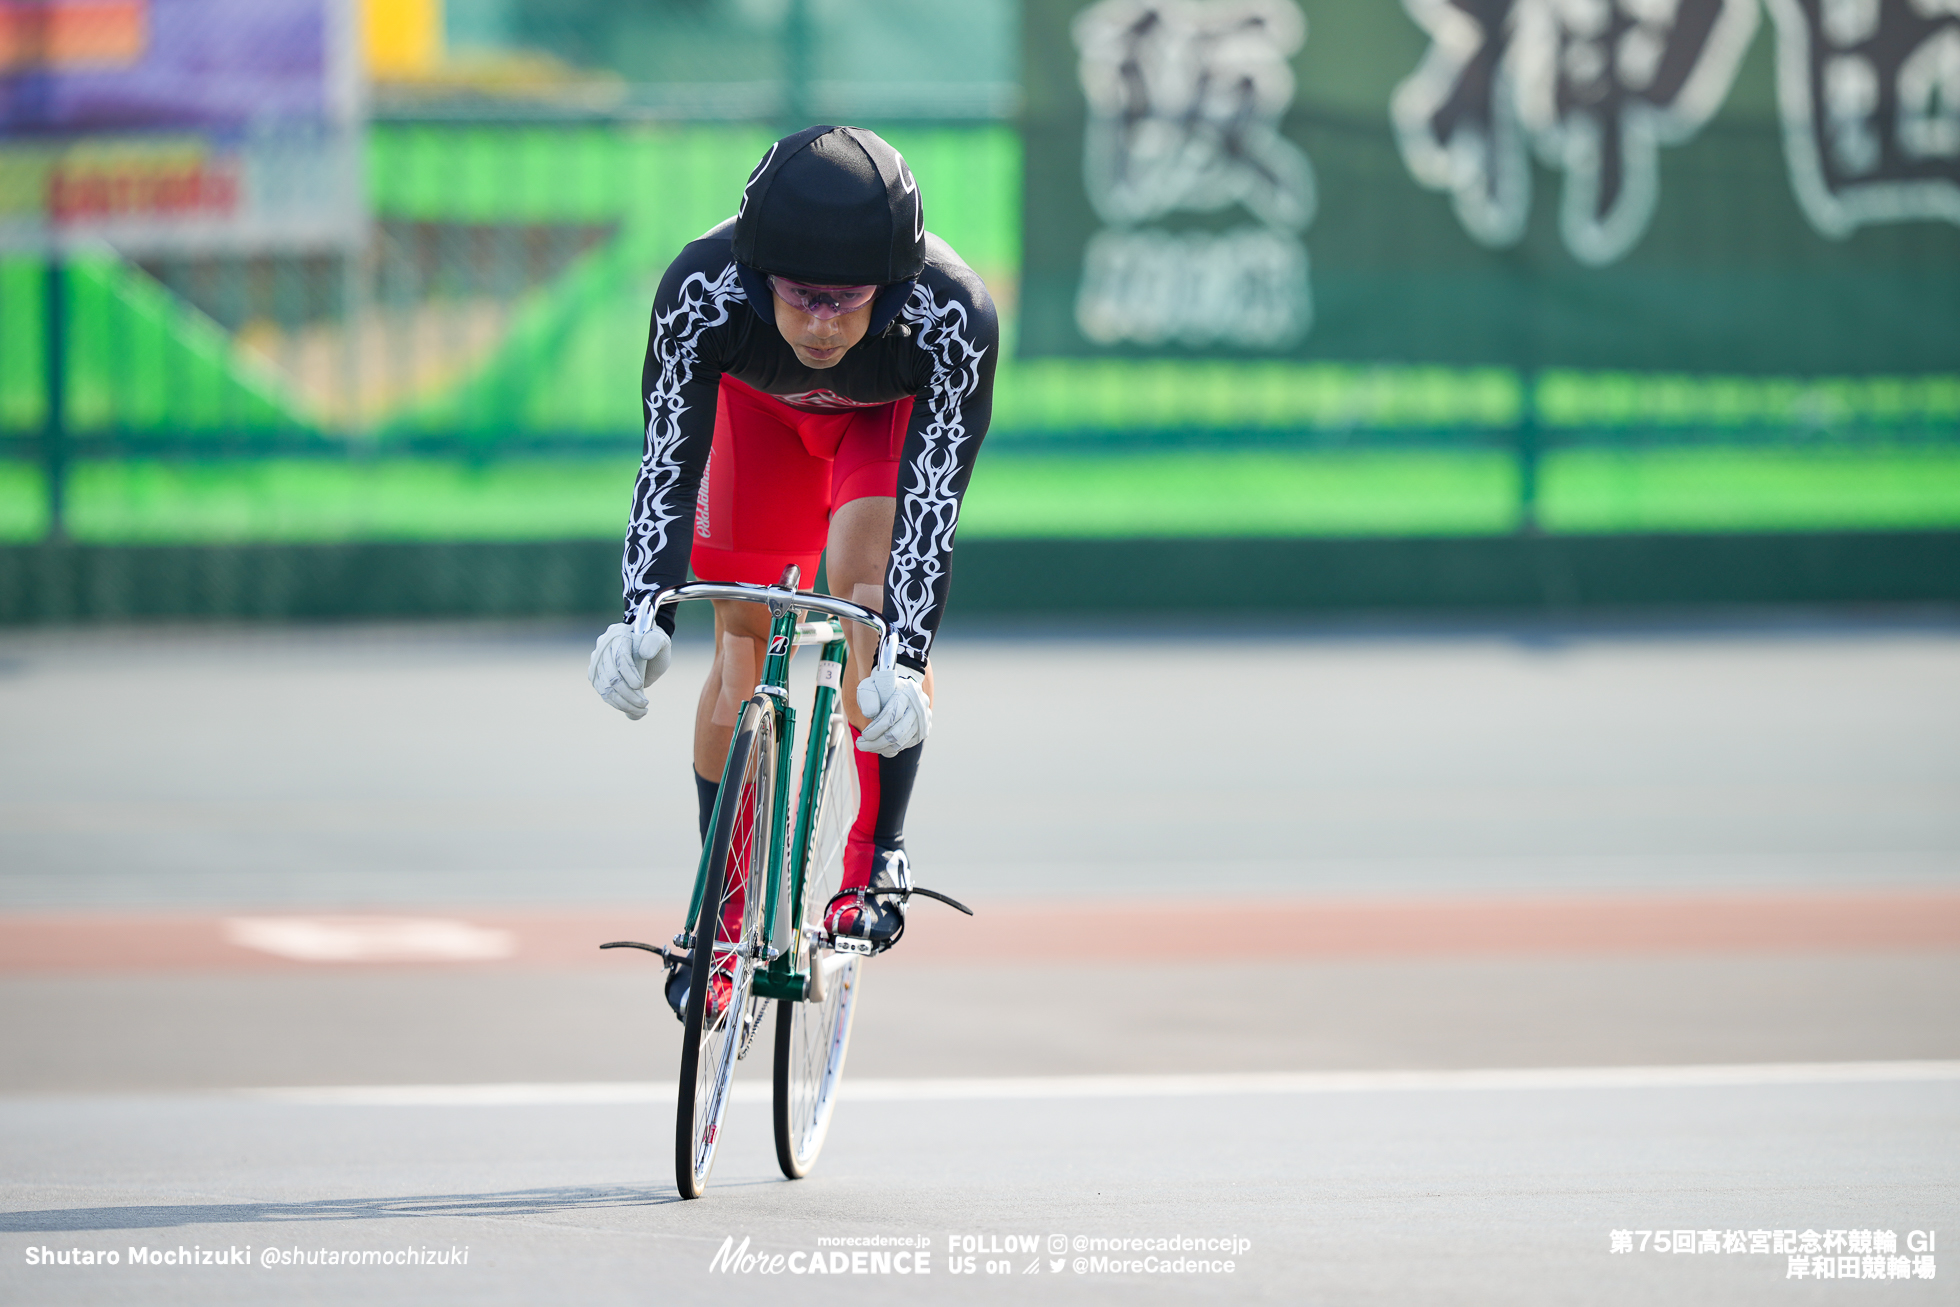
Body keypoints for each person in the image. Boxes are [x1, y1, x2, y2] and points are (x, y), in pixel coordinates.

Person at [584, 125, 998, 1021]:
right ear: (758, 272)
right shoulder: (703, 290)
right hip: (757, 421)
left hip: (881, 428)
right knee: (742, 644)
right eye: (801, 299)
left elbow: (933, 507)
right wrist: (643, 611)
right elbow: (667, 459)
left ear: (890, 295)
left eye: (845, 303)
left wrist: (907, 657)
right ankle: (719, 919)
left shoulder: (953, 317)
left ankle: (875, 853)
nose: (820, 325)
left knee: (864, 596)